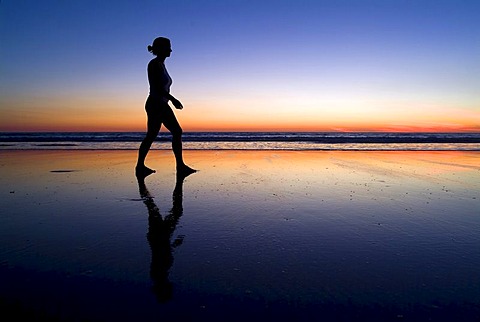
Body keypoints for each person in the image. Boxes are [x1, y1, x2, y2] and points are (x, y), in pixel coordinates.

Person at [136, 37, 196, 178]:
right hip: (156, 104)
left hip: (159, 103)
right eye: (168, 47)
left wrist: (169, 100)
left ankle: (140, 166)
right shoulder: (154, 64)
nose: (170, 50)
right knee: (176, 131)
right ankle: (180, 166)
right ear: (161, 48)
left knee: (152, 135)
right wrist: (173, 99)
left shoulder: (161, 64)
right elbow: (156, 87)